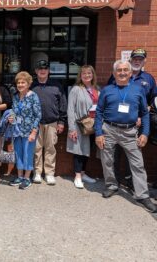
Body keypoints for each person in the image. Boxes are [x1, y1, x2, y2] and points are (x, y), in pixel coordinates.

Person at [95, 60, 156, 213]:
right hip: (109, 129)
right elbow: (99, 113)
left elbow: (144, 113)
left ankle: (142, 195)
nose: (122, 73)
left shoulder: (138, 90)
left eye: (125, 70)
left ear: (130, 73)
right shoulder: (107, 90)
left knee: (137, 164)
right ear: (114, 73)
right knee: (107, 160)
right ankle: (111, 185)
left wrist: (145, 133)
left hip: (130, 132)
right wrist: (98, 133)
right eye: (119, 70)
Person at [108, 49, 156, 189]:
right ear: (131, 59)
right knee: (114, 154)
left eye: (140, 59)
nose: (137, 61)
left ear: (144, 61)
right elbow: (110, 95)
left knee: (134, 155)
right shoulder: (117, 75)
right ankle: (115, 181)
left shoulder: (148, 79)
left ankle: (131, 182)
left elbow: (155, 99)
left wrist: (146, 110)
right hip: (117, 122)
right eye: (135, 58)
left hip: (138, 123)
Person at [31, 60, 67, 185]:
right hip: (35, 123)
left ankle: (49, 173)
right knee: (36, 148)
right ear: (36, 71)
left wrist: (61, 121)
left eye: (45, 68)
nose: (42, 70)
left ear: (48, 71)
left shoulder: (56, 85)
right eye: (40, 68)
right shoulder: (32, 86)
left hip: (52, 122)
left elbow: (63, 104)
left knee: (50, 148)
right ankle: (37, 172)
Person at [66, 65, 98, 189]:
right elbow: (70, 109)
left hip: (92, 125)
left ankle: (83, 174)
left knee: (87, 151)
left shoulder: (96, 88)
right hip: (79, 124)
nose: (87, 75)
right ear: (80, 75)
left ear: (92, 75)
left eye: (89, 73)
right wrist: (71, 128)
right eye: (84, 73)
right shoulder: (76, 89)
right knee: (78, 151)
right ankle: (77, 176)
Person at [8, 72, 41, 189]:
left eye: (23, 82)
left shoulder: (33, 96)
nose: (20, 84)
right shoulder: (16, 97)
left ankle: (27, 178)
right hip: (17, 131)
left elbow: (38, 115)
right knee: (18, 153)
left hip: (29, 131)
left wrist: (34, 132)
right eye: (19, 82)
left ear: (28, 83)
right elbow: (14, 112)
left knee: (27, 154)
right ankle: (20, 176)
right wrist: (11, 118)